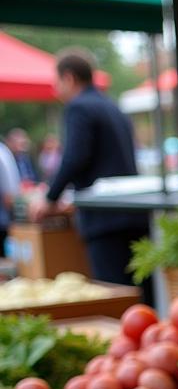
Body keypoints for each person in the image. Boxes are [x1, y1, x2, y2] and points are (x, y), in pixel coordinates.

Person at [29, 50, 148, 287]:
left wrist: (49, 197)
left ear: (69, 78)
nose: (56, 89)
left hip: (104, 218)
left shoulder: (78, 107)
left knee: (115, 292)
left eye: (57, 81)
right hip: (134, 213)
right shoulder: (112, 106)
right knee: (140, 292)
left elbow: (74, 158)